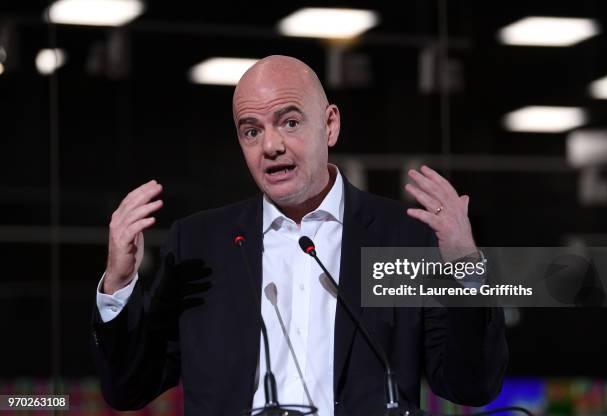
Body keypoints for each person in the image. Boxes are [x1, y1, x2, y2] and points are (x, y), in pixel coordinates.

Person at [91, 55, 507, 416]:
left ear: (330, 126)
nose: (270, 145)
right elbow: (130, 388)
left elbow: (470, 385)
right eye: (251, 130)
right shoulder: (201, 245)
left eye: (289, 122)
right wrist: (118, 282)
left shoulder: (401, 238)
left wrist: (464, 268)